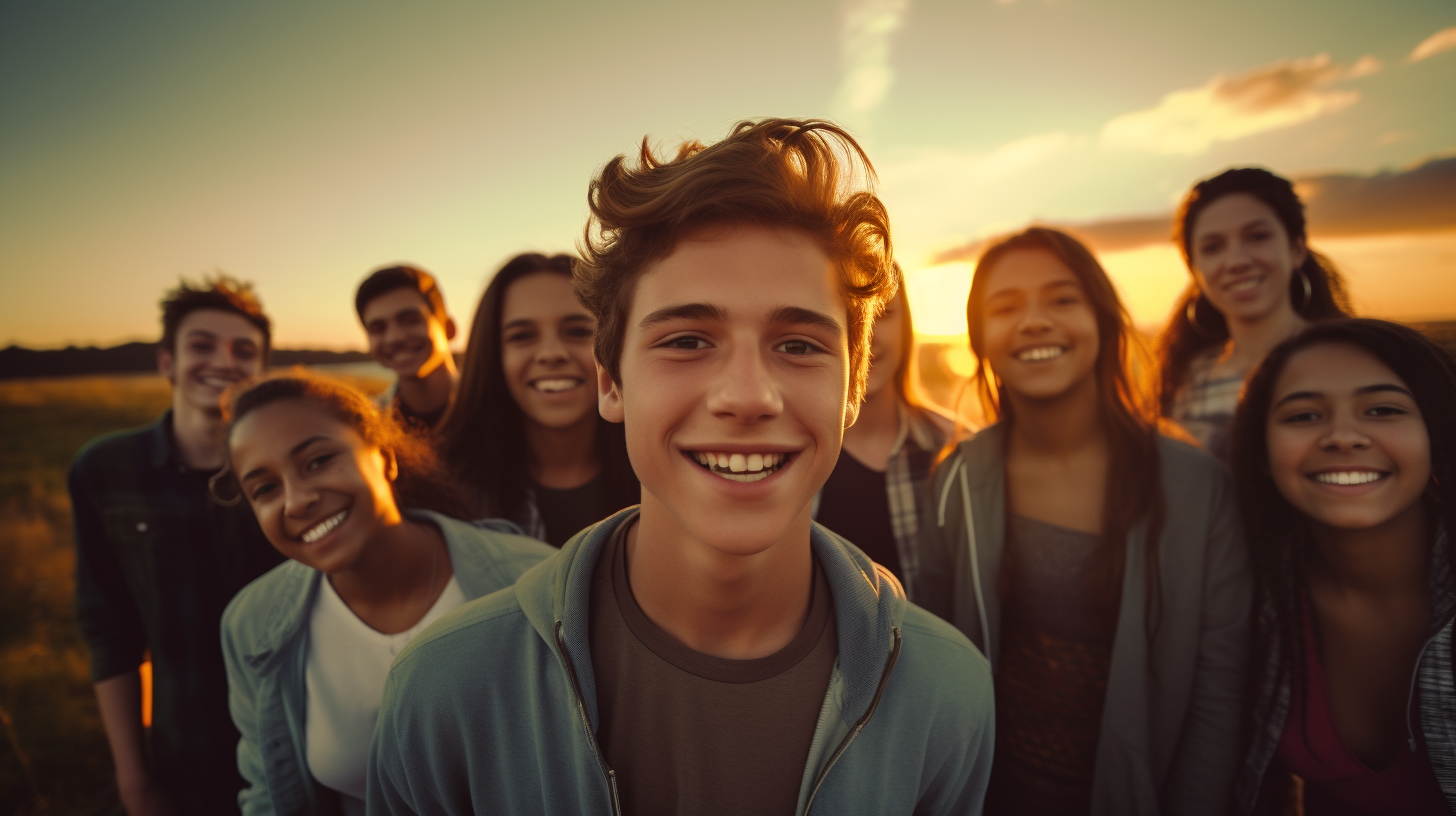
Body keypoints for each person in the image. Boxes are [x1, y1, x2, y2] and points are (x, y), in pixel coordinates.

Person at [368, 118, 995, 815]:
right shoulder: (445, 691)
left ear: (852, 390)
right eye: (689, 339)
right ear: (610, 382)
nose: (748, 396)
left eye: (799, 345)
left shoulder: (949, 693)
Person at [919, 227, 1251, 815]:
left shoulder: (1198, 488)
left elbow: (1219, 694)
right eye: (1006, 307)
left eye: (1062, 299)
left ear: (1102, 320)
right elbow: (934, 659)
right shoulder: (959, 482)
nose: (1035, 321)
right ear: (980, 340)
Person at [218, 373, 554, 816]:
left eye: (317, 460)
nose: (295, 501)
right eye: (264, 488)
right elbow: (267, 794)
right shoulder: (251, 624)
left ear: (385, 458)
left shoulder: (537, 582)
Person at [68, 276, 285, 815]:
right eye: (202, 345)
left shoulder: (291, 475)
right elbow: (109, 632)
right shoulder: (106, 470)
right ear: (167, 361)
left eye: (243, 351)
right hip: (183, 756)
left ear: (260, 368)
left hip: (299, 745)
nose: (223, 362)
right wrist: (134, 780)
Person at [1230, 319, 1456, 814]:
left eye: (1382, 409)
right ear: (1262, 452)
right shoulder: (1252, 603)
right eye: (1304, 416)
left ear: (1435, 431)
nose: (1343, 436)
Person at [435, 253, 638, 545]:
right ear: (492, 355)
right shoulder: (445, 496)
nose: (551, 353)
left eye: (578, 331)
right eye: (522, 336)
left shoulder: (671, 478)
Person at [1158, 167, 1351, 464]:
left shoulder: (1351, 360)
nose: (1236, 261)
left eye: (1257, 237)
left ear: (1297, 250)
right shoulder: (1187, 379)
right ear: (1194, 270)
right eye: (1212, 248)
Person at [813, 262, 955, 600]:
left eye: (883, 313)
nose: (866, 335)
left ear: (908, 325)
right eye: (846, 315)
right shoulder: (787, 450)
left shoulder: (953, 447)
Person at [354, 264, 458, 432]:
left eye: (411, 320)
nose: (394, 337)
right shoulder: (367, 427)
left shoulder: (499, 406)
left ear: (448, 327)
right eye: (378, 328)